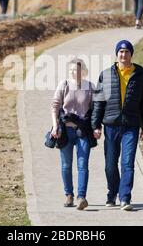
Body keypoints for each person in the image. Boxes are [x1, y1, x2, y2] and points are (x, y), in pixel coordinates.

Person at [91, 40, 143, 211]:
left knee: (127, 163)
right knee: (110, 164)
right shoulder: (105, 75)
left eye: (126, 51)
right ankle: (112, 193)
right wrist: (95, 125)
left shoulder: (142, 76)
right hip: (111, 126)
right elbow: (98, 102)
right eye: (121, 51)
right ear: (116, 54)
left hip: (131, 126)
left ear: (131, 54)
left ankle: (125, 197)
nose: (123, 55)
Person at [51, 58, 96, 210]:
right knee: (66, 165)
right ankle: (69, 195)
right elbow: (55, 106)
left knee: (83, 164)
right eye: (71, 70)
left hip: (83, 131)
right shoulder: (63, 85)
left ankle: (81, 197)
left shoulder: (90, 87)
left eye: (76, 70)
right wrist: (55, 125)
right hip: (66, 131)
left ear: (82, 71)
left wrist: (97, 128)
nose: (73, 72)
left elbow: (95, 110)